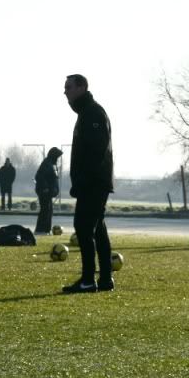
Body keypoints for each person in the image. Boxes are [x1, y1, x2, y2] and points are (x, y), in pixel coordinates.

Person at [62, 74, 114, 293]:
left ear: (82, 87)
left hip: (94, 183)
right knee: (97, 229)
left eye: (69, 87)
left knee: (83, 227)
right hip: (93, 182)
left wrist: (84, 180)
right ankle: (105, 279)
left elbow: (97, 151)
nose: (65, 92)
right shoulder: (86, 112)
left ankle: (88, 280)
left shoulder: (93, 113)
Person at [34, 147, 63, 234]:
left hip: (49, 192)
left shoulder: (53, 164)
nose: (58, 158)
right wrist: (45, 188)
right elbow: (39, 176)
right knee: (45, 210)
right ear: (54, 156)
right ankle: (40, 230)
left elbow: (54, 178)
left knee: (49, 211)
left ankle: (46, 229)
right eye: (57, 156)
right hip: (44, 191)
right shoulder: (46, 163)